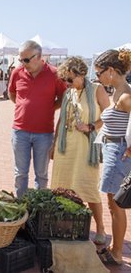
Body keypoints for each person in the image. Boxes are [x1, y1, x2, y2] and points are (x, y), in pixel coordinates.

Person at [50, 57, 109, 245]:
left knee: (88, 187)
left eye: (70, 79)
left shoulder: (97, 90)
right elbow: (61, 120)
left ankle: (100, 227)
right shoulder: (69, 93)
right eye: (64, 80)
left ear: (81, 74)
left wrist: (91, 126)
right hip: (65, 147)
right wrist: (54, 143)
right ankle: (66, 225)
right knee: (63, 187)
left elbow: (109, 117)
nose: (67, 83)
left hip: (86, 147)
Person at [8, 40, 66, 199]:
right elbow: (12, 94)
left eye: (26, 59)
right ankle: (21, 206)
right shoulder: (17, 73)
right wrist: (24, 106)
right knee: (20, 174)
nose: (22, 63)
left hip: (44, 133)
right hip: (20, 132)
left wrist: (48, 108)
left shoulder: (55, 74)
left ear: (39, 57)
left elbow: (63, 98)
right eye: (21, 59)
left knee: (41, 175)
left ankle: (38, 210)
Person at [93, 49, 131, 265]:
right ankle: (115, 247)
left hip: (119, 154)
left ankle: (117, 252)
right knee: (112, 202)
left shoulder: (125, 96)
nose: (98, 78)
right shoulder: (118, 92)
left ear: (110, 71)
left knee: (116, 204)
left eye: (99, 73)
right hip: (112, 150)